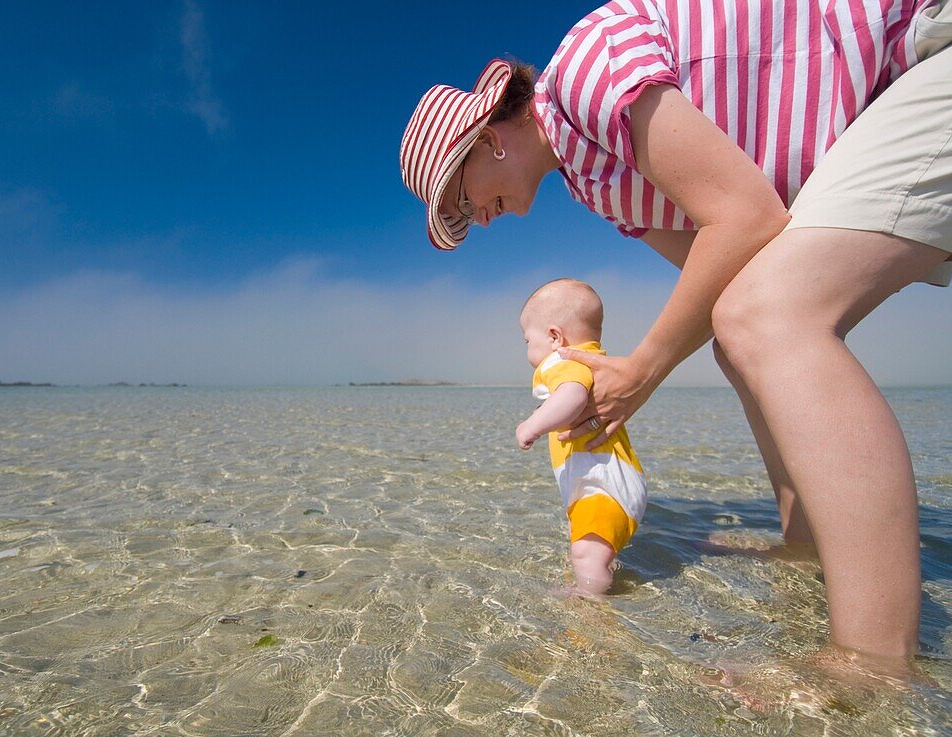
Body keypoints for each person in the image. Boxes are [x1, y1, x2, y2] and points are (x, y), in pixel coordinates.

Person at [400, 0, 951, 663]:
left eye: (460, 200)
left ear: (486, 138)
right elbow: (721, 272)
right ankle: (807, 542)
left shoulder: (581, 74)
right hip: (888, 104)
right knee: (739, 332)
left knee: (766, 317)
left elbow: (747, 219)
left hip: (916, 54)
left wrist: (641, 370)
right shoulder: (590, 181)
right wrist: (636, 367)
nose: (476, 221)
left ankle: (872, 662)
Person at [516, 278, 647, 595]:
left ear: (554, 336)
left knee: (585, 556)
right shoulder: (594, 359)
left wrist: (533, 424)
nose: (527, 351)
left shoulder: (563, 361)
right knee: (591, 549)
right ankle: (602, 573)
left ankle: (591, 603)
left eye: (526, 341)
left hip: (601, 487)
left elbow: (572, 397)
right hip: (611, 484)